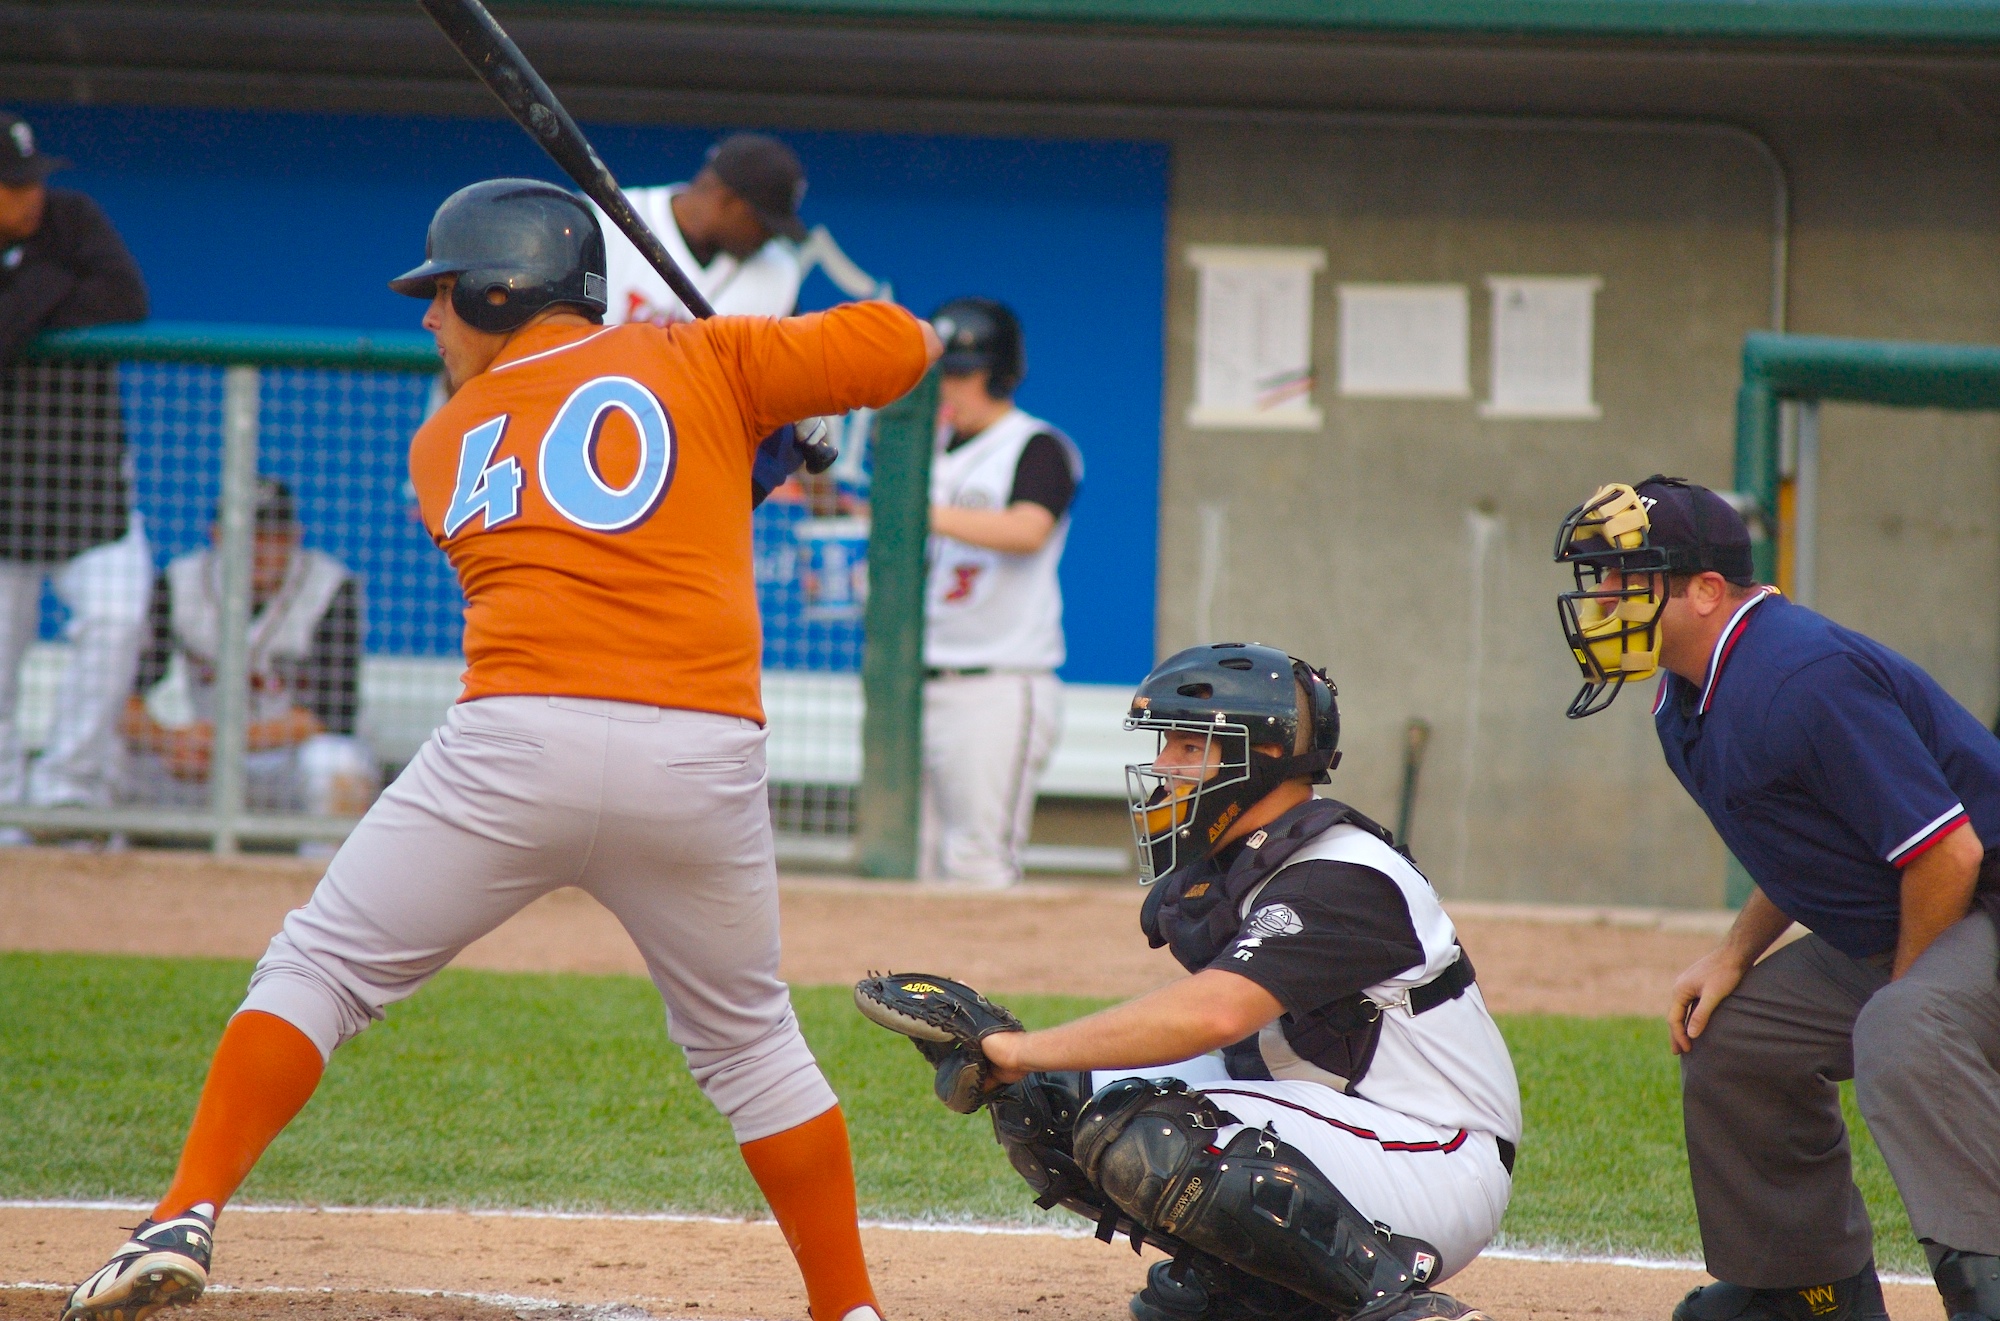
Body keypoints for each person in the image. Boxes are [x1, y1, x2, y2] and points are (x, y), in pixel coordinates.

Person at [61, 177, 941, 1321]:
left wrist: (753, 426)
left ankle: (181, 1212)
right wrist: (770, 395)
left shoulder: (446, 443)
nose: (429, 319)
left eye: (442, 295)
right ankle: (849, 1309)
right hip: (700, 757)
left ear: (497, 287)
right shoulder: (702, 362)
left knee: (317, 970)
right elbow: (905, 343)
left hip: (515, 744)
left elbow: (604, 497)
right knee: (751, 1048)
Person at [902, 644, 1520, 1321]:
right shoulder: (1249, 864)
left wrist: (1019, 1046)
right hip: (1350, 1128)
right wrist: (1021, 1065)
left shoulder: (1344, 873)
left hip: (1435, 1156)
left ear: (1261, 757)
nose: (1166, 764)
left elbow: (1217, 1013)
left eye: (1190, 744)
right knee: (1049, 1098)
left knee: (1158, 1133)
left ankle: (1394, 1302)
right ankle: (1258, 1288)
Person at [1553, 476, 2000, 1321]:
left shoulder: (1801, 675)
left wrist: (1903, 1001)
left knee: (1902, 1027)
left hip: (1981, 903)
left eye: (1624, 580)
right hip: (1937, 916)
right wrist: (1733, 953)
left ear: (1708, 590)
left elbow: (1949, 850)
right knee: (1735, 1039)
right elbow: (1811, 840)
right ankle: (1811, 1292)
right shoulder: (1686, 694)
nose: (1602, 601)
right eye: (1598, 582)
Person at [0, 109, 150, 809]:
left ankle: (65, 793)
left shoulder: (72, 218)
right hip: (5, 498)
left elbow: (127, 297)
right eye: (12, 185)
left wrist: (25, 295)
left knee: (117, 619)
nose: (28, 197)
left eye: (31, 181)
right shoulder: (61, 253)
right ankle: (5, 803)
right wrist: (55, 287)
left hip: (87, 488)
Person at [919, 296, 1082, 887]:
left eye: (963, 374)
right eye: (942, 374)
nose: (949, 388)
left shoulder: (1035, 445)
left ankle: (979, 981)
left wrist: (912, 509)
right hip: (914, 685)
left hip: (997, 685)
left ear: (1000, 373)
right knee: (912, 865)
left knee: (976, 865)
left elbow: (1027, 530)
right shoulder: (923, 453)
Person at [120, 477, 378, 816]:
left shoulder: (330, 588)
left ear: (294, 539)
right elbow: (124, 698)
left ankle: (325, 865)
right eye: (245, 535)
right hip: (201, 763)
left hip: (283, 760)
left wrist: (226, 741)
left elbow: (332, 716)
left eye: (271, 537)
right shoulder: (179, 582)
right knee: (111, 751)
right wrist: (169, 741)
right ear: (217, 536)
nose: (257, 549)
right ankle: (92, 858)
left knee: (336, 764)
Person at [595, 131, 808, 327]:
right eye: (764, 225)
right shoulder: (603, 221)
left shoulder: (779, 271)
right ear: (727, 201)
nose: (770, 237)